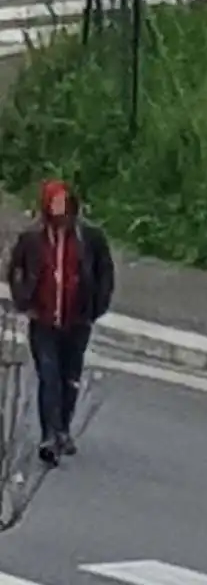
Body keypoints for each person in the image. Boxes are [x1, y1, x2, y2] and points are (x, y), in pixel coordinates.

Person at [7, 180, 115, 464]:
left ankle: (63, 428)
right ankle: (49, 435)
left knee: (70, 378)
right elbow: (15, 269)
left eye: (64, 203)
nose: (59, 209)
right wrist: (23, 301)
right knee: (49, 375)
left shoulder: (88, 237)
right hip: (43, 320)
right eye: (54, 203)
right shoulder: (33, 239)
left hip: (77, 320)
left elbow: (104, 272)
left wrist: (96, 307)